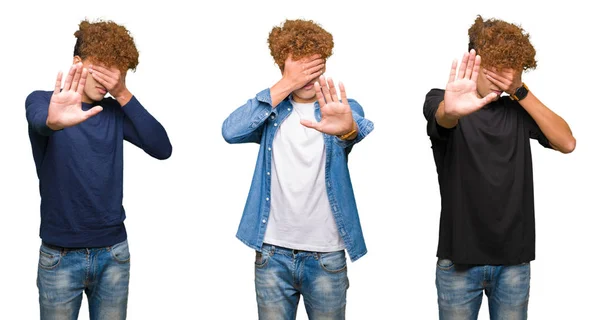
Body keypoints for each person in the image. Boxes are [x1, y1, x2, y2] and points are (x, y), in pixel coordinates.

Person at [423, 15, 576, 319]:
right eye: (493, 64)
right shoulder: (443, 100)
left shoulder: (517, 110)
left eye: (509, 66)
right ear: (475, 61)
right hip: (457, 263)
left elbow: (567, 142)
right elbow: (442, 116)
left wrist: (520, 91)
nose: (500, 75)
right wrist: (450, 110)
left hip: (513, 264)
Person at [222, 19, 374, 319]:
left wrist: (346, 129)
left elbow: (352, 127)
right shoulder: (270, 111)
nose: (307, 76)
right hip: (271, 255)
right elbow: (230, 131)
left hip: (326, 257)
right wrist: (284, 86)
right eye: (298, 68)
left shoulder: (340, 107)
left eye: (314, 66)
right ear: (283, 66)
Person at [26, 19, 172, 320]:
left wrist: (123, 94)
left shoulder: (115, 113)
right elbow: (43, 119)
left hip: (113, 254)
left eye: (116, 70)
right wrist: (55, 119)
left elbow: (162, 148)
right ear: (77, 63)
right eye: (101, 67)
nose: (107, 79)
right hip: (60, 257)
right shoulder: (43, 101)